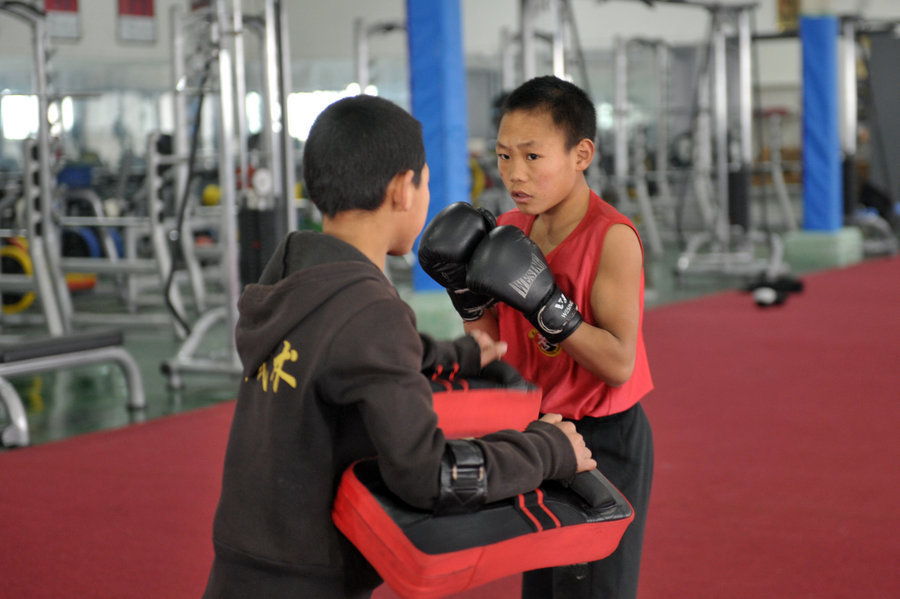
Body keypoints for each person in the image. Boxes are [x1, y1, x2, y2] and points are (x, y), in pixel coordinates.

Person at [201, 94, 596, 599]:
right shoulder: (371, 312)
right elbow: (432, 476)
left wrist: (456, 355)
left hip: (242, 566)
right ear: (401, 190)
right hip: (308, 582)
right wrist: (547, 450)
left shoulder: (295, 274)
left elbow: (341, 351)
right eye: (425, 181)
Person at [418, 76, 654, 599]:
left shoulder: (611, 238)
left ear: (580, 154)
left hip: (603, 438)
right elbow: (492, 346)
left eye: (531, 157)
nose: (514, 174)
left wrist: (551, 309)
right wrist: (466, 296)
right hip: (536, 436)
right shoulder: (508, 228)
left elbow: (618, 362)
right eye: (503, 157)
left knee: (592, 587)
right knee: (543, 587)